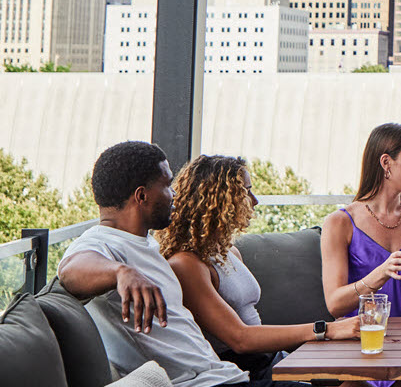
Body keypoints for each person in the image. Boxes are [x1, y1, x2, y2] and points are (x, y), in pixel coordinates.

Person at [57, 141, 303, 387]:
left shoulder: (146, 244)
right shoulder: (101, 242)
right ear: (142, 196)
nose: (175, 194)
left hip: (223, 376)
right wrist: (121, 272)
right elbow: (70, 270)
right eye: (167, 185)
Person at [158, 155, 360, 381]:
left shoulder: (229, 252)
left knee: (369, 377)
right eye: (246, 192)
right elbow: (240, 339)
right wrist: (328, 330)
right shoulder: (186, 264)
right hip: (241, 372)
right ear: (217, 201)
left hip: (271, 359)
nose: (254, 200)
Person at [321, 123, 401, 320]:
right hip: (360, 340)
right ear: (386, 162)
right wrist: (382, 272)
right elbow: (335, 305)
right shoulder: (339, 223)